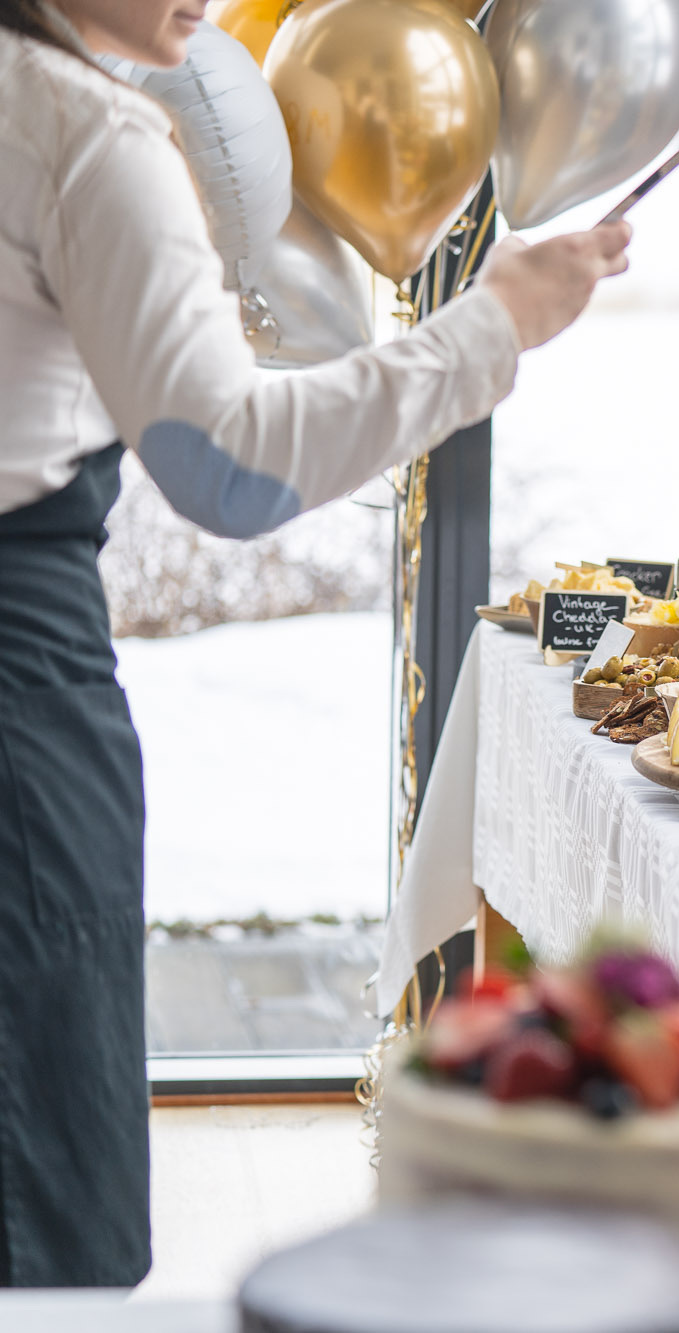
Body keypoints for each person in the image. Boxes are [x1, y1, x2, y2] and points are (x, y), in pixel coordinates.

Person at [0, 0, 631, 1286]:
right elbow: (228, 471)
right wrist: (493, 323)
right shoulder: (87, 134)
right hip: (17, 705)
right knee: (39, 1170)